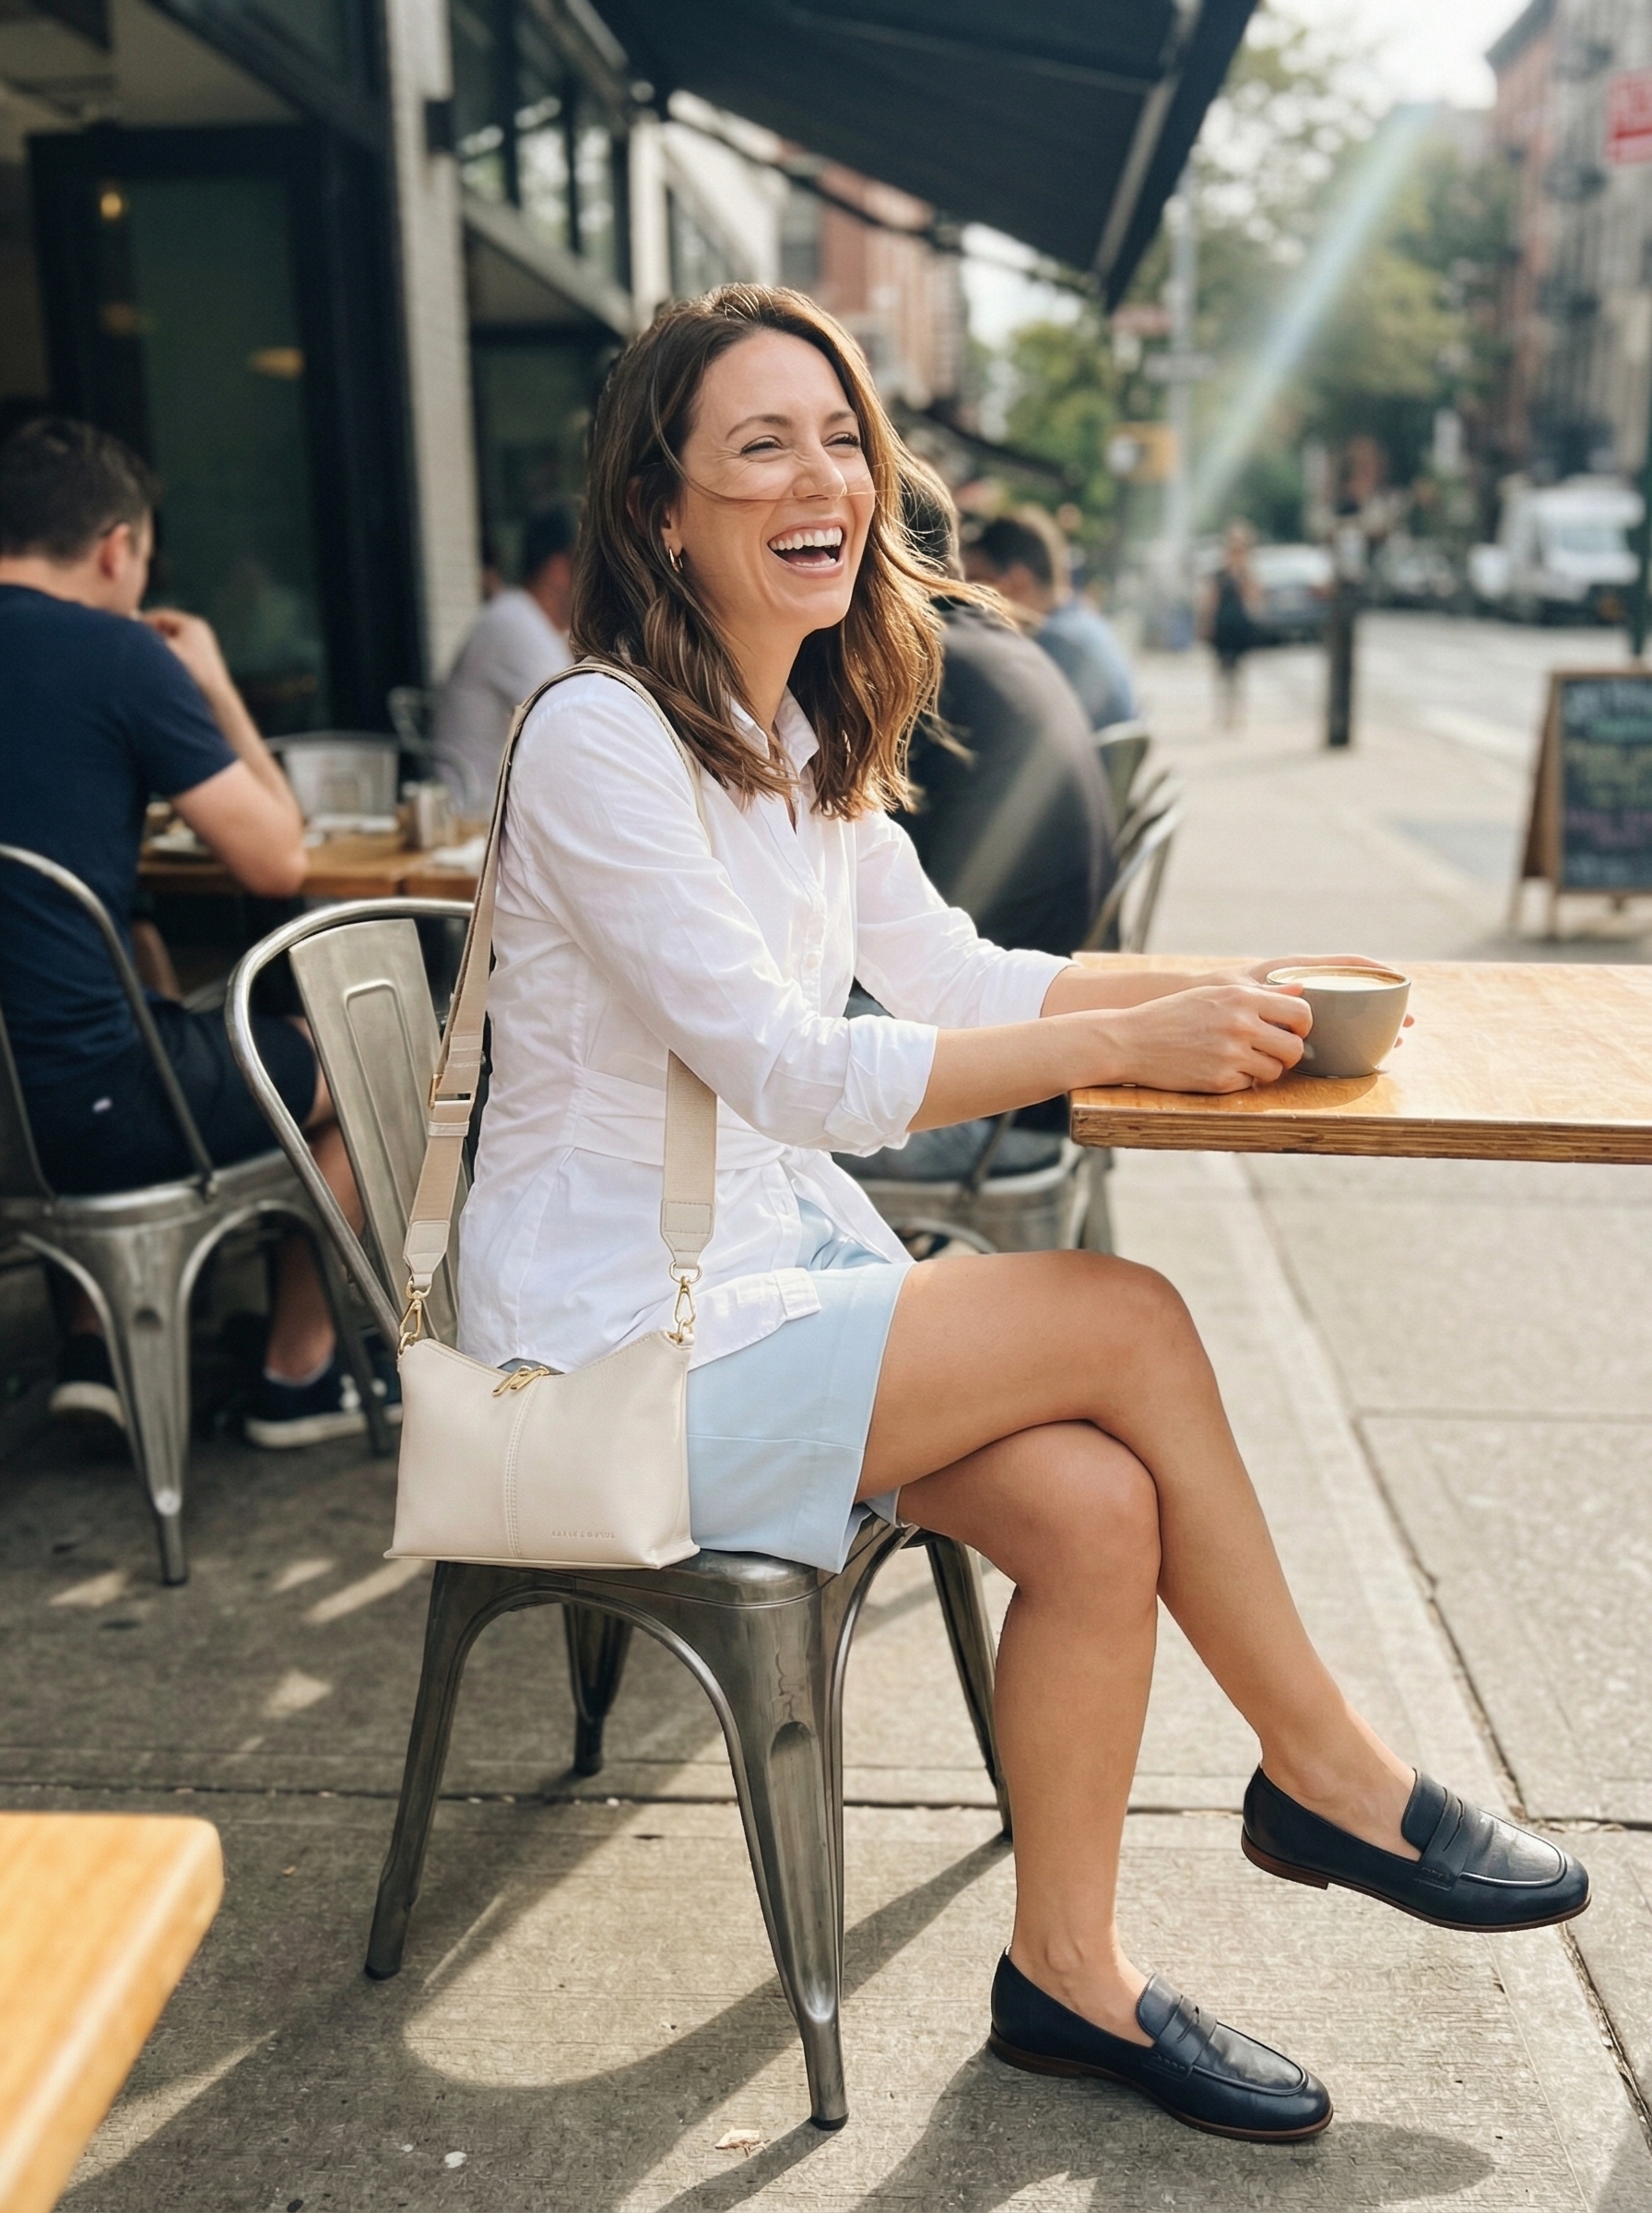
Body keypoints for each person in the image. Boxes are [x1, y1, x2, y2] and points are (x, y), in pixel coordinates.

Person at [457, 285, 1587, 2146]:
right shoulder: (598, 738)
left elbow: (960, 971)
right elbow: (792, 1071)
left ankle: (1065, 1973)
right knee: (1123, 1321)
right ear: (661, 511)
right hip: (598, 1357)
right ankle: (1324, 1774)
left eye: (838, 437)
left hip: (762, 1289)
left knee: (1093, 1505)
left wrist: (1223, 990)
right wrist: (1140, 1035)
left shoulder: (800, 735)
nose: (817, 475)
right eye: (759, 446)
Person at [0, 417, 385, 1449]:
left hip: (22, 1107)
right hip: (92, 1103)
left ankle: (98, 1351)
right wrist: (211, 682)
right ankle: (296, 1375)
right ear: (117, 548)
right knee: (368, 1056)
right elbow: (277, 860)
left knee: (75, 993)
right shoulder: (118, 653)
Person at [843, 458, 1113, 1182]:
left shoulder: (918, 671)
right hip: (1039, 1072)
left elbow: (862, 934)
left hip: (997, 1108)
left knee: (716, 1124)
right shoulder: (1003, 648)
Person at [431, 501, 577, 810]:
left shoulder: (529, 621)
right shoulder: (516, 625)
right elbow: (578, 734)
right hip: (476, 822)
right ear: (559, 569)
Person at [966, 508, 1139, 731]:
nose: (968, 595)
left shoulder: (1052, 643)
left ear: (1018, 581)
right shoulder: (1085, 623)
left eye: (978, 581)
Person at [1204, 519, 1263, 732]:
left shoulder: (1247, 573)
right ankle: (1222, 713)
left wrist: (1244, 574)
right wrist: (1206, 625)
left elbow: (1255, 599)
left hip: (1240, 626)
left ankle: (1237, 713)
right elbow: (1211, 601)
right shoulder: (1219, 574)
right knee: (1221, 672)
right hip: (1223, 626)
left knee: (1239, 673)